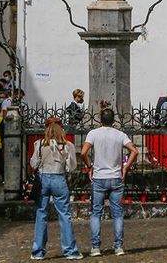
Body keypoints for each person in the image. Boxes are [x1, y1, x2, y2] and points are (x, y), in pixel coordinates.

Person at [81, 108, 139, 257]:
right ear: (114, 121)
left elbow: (83, 152)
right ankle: (118, 246)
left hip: (99, 177)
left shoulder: (93, 134)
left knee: (96, 212)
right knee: (117, 213)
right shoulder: (120, 135)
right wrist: (125, 168)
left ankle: (95, 247)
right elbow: (134, 151)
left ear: (100, 119)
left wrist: (89, 166)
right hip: (116, 177)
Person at [30, 118, 83, 260]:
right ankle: (70, 251)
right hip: (59, 178)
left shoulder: (39, 144)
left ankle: (38, 251)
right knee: (65, 215)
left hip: (43, 179)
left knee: (41, 214)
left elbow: (33, 163)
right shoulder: (67, 145)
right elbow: (72, 166)